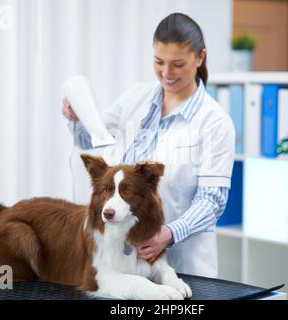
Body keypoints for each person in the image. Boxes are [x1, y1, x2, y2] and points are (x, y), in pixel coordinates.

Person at [62, 13, 235, 278]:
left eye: (178, 64)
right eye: (159, 62)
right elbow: (92, 139)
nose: (166, 74)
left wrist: (169, 234)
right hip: (123, 263)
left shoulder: (215, 122)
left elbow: (212, 200)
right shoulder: (136, 98)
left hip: (183, 266)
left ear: (200, 57)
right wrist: (76, 118)